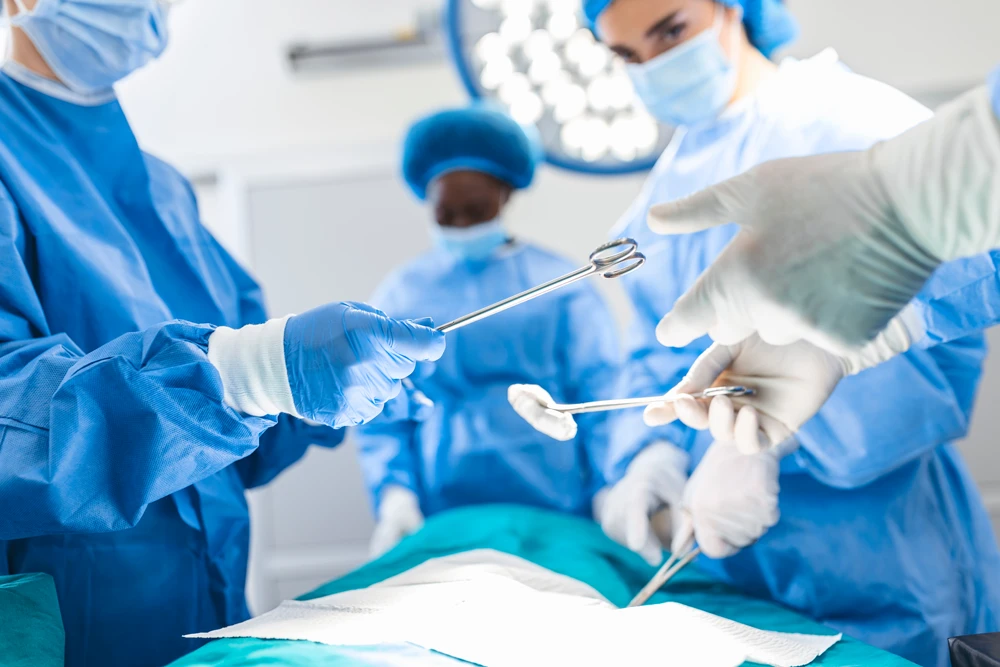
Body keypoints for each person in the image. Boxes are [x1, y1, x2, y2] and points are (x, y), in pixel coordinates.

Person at [0, 2, 444, 666]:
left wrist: (320, 393)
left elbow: (237, 440)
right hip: (70, 629)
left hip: (211, 609)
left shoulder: (164, 189)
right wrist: (248, 373)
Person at [583, 0, 1000, 664]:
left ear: (731, 9)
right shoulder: (661, 195)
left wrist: (772, 444)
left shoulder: (850, 119)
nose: (657, 66)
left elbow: (948, 326)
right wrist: (648, 455)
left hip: (882, 550)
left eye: (670, 31)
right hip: (729, 562)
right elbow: (647, 355)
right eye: (630, 56)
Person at [644, 68, 1000, 454]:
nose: (650, 66)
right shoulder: (675, 171)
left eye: (671, 30)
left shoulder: (838, 109)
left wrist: (893, 200)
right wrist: (887, 324)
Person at [356, 106, 621, 557]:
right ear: (428, 205)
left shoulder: (561, 287)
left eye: (476, 210)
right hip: (442, 519)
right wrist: (394, 495)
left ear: (505, 195)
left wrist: (612, 486)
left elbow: (601, 398)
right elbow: (383, 410)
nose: (462, 225)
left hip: (558, 514)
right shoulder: (402, 294)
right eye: (447, 214)